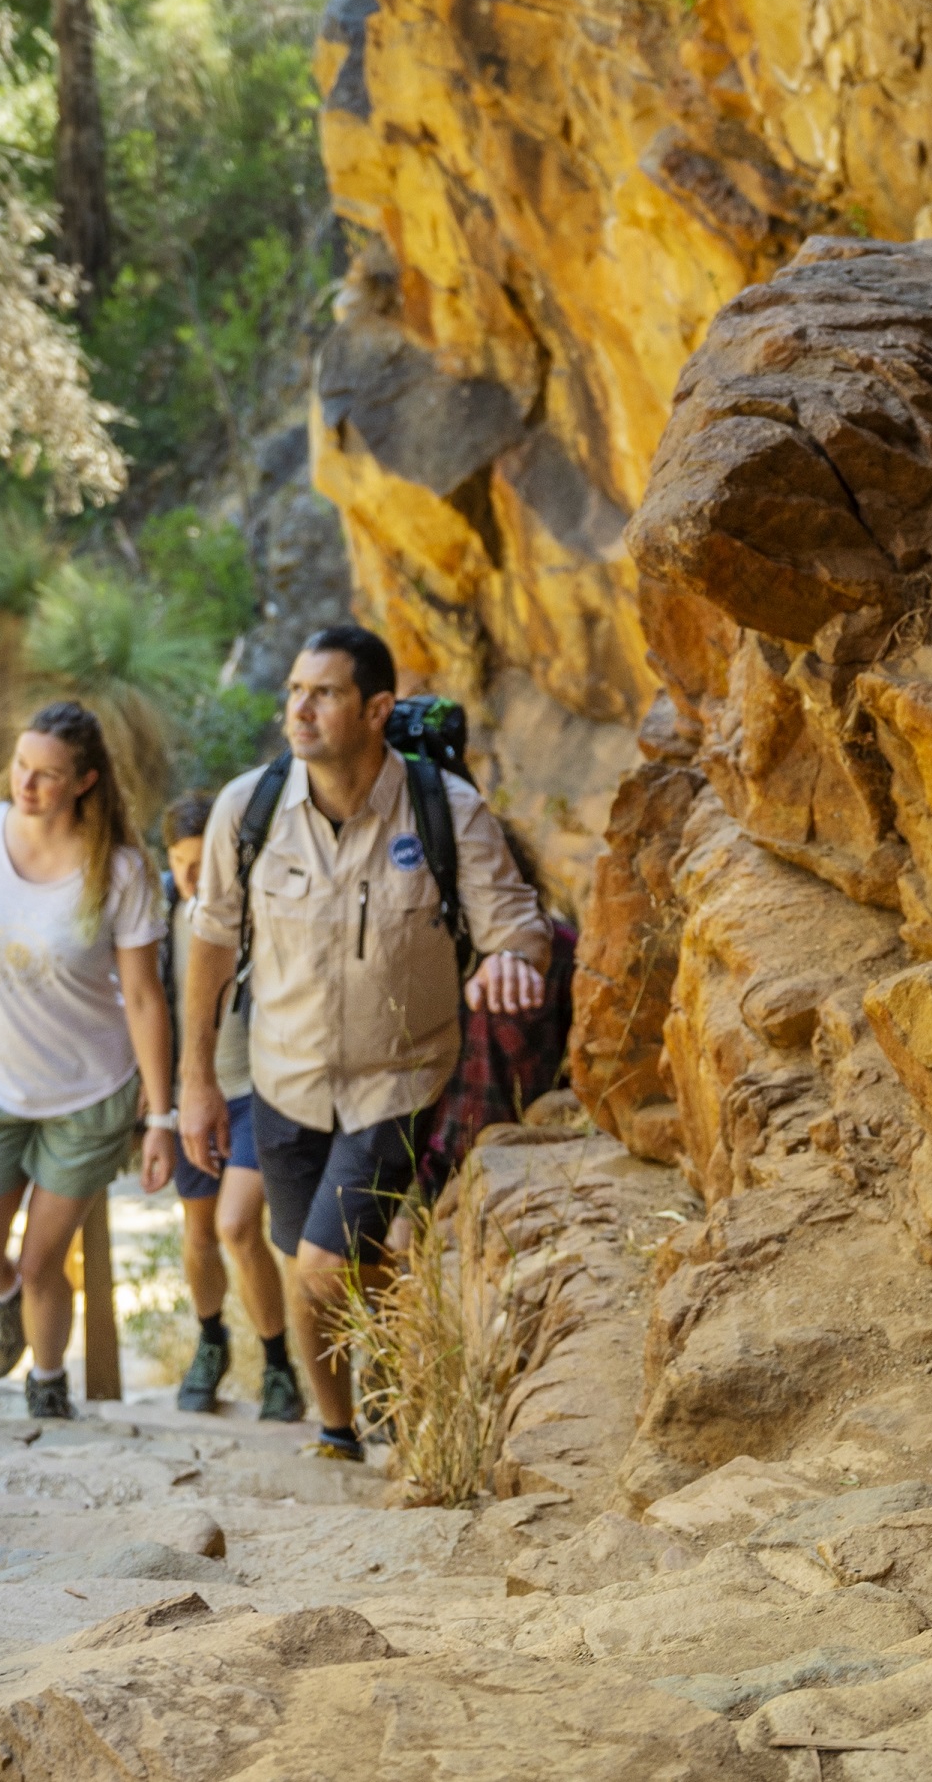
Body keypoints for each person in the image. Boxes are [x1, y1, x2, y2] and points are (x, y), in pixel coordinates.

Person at [181, 622, 551, 1462]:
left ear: (378, 708)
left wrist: (508, 966)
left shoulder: (444, 810)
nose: (300, 708)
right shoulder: (250, 808)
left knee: (318, 1265)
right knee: (310, 1267)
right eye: (295, 691)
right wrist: (196, 1080)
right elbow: (209, 942)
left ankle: (385, 1407)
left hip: (400, 1079)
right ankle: (345, 1424)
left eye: (324, 692)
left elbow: (517, 931)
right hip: (283, 1080)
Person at [0, 701, 175, 1420]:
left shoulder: (119, 870)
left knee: (41, 1259)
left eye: (47, 775)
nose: (26, 784)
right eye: (21, 766)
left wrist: (162, 1116)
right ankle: (4, 1303)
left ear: (85, 781)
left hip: (89, 1093)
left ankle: (48, 1385)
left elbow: (145, 997)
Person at [159, 794, 301, 1422]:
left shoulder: (255, 902)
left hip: (257, 1089)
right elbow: (146, 1003)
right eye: (181, 865)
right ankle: (210, 1342)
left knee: (237, 1226)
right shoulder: (161, 913)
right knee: (198, 1234)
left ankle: (276, 1365)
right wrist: (158, 1106)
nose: (194, 878)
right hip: (192, 1092)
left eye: (202, 863)